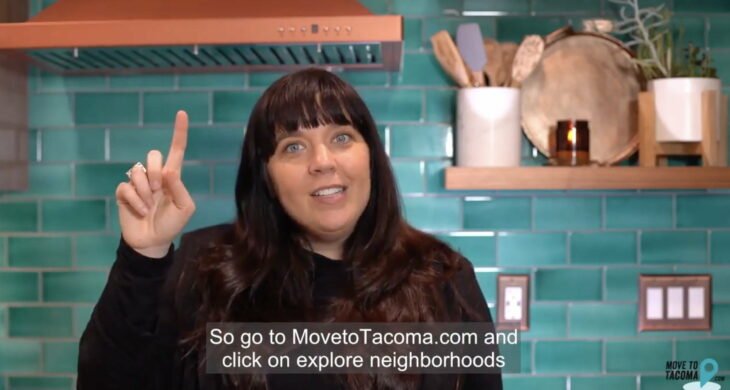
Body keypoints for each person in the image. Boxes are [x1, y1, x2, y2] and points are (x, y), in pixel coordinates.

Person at [77, 68, 503, 390]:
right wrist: (144, 255)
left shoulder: (442, 278)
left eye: (341, 138)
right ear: (267, 177)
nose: (322, 161)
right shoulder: (206, 268)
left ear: (371, 157)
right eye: (293, 147)